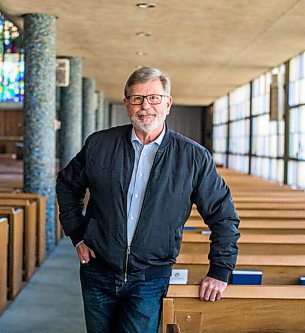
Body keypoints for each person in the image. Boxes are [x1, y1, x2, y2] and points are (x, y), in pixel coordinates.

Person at [56, 66, 240, 333]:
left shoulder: (193, 157)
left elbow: (223, 216)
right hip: (98, 272)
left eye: (154, 98)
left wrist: (220, 270)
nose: (145, 106)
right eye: (137, 98)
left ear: (168, 103)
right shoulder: (99, 144)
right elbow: (67, 185)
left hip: (151, 278)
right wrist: (77, 235)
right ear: (126, 104)